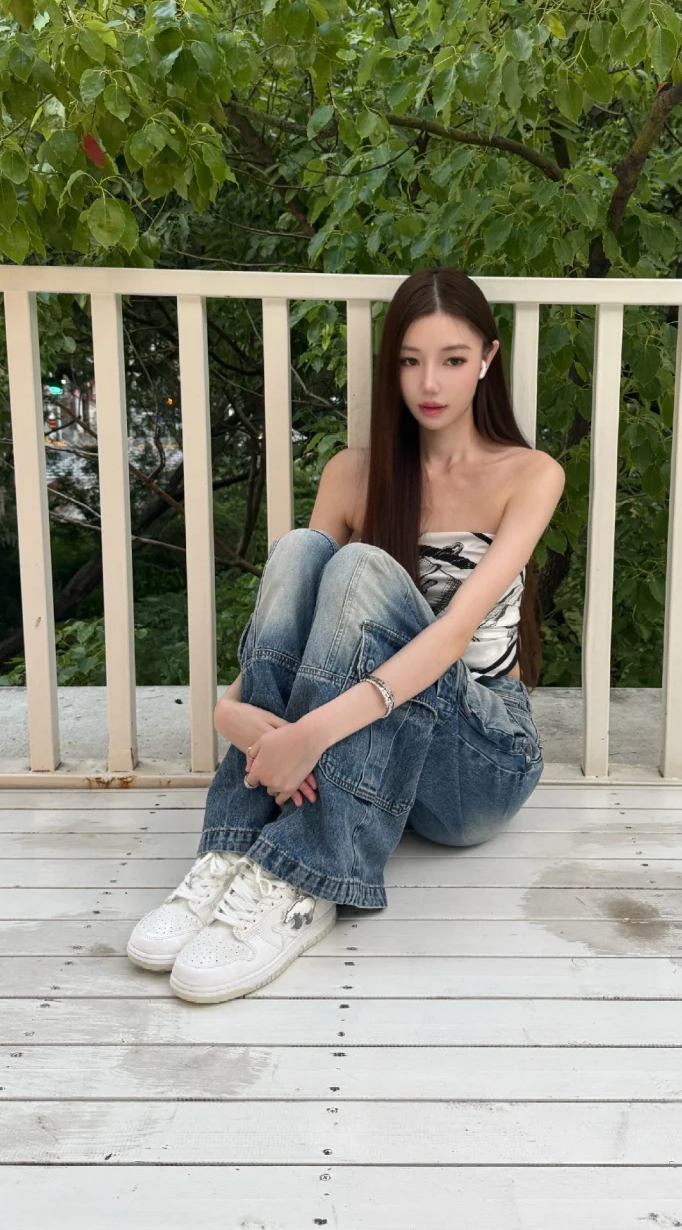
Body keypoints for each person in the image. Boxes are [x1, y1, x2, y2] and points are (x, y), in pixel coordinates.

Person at [126, 267, 565, 1002]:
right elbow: (295, 616)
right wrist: (229, 711)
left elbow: (453, 636)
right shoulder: (352, 473)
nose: (431, 382)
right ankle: (231, 849)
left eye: (453, 359)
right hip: (371, 749)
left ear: (488, 359)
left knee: (360, 566)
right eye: (411, 361)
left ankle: (307, 875)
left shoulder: (530, 473)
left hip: (479, 759)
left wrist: (309, 734)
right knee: (303, 550)